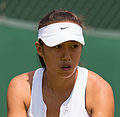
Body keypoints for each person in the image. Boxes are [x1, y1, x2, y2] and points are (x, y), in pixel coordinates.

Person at [7, 9, 114, 117]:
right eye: (57, 46)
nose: (66, 56)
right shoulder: (20, 87)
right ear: (39, 49)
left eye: (74, 46)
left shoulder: (100, 90)